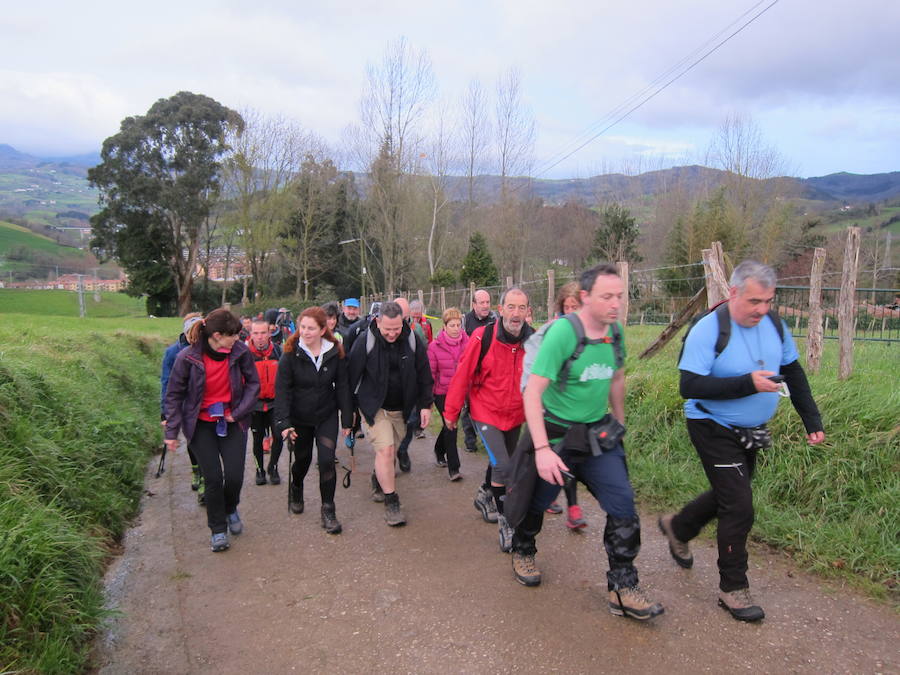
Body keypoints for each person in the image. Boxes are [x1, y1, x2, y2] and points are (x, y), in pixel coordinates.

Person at [659, 260, 825, 622]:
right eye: (754, 301)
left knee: (730, 492)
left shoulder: (775, 325)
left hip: (750, 429)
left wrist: (811, 420)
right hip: (710, 423)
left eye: (768, 301)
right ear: (733, 293)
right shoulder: (708, 329)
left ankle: (679, 527)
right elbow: (689, 386)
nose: (762, 309)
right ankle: (733, 588)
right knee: (738, 505)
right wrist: (748, 384)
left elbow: (793, 372)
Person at [510, 264, 664, 622]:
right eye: (606, 296)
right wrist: (542, 450)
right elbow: (533, 392)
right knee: (536, 503)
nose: (616, 304)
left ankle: (622, 587)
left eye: (619, 296)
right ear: (585, 297)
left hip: (597, 435)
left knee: (623, 505)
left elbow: (617, 377)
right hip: (557, 435)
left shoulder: (616, 332)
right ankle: (523, 549)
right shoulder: (563, 334)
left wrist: (620, 423)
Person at [445, 288, 534, 552]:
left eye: (521, 308)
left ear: (528, 311)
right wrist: (451, 412)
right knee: (504, 467)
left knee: (501, 462)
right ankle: (507, 523)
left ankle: (486, 493)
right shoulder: (483, 336)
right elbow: (463, 374)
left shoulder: (534, 340)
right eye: (511, 307)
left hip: (515, 414)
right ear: (501, 309)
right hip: (485, 410)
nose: (516, 313)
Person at [164, 308, 260, 553]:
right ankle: (218, 529)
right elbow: (174, 395)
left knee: (235, 475)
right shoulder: (187, 358)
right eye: (233, 335)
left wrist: (237, 413)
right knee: (214, 478)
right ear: (217, 336)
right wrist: (171, 432)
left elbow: (253, 384)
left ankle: (230, 508)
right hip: (200, 425)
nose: (238, 339)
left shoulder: (241, 352)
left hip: (232, 421)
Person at [348, 301, 433, 526]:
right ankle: (391, 501)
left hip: (402, 408)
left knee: (390, 452)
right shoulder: (365, 341)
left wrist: (425, 405)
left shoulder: (412, 339)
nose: (393, 333)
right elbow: (351, 377)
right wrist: (349, 414)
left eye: (396, 328)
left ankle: (379, 477)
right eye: (388, 329)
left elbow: (424, 373)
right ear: (378, 321)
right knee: (386, 451)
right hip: (374, 407)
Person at [275, 307, 353, 534]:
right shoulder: (290, 353)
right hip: (299, 417)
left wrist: (347, 419)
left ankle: (328, 509)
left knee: (327, 460)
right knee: (303, 459)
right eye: (302, 327)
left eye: (311, 328)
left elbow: (343, 387)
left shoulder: (334, 351)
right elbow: (282, 391)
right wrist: (284, 422)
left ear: (322, 329)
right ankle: (296, 485)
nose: (305, 332)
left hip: (326, 415)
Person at [522, 281, 586, 529]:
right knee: (553, 457)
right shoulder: (551, 331)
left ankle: (573, 509)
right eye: (567, 307)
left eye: (575, 306)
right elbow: (532, 366)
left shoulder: (593, 334)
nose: (571, 312)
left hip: (576, 410)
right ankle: (542, 503)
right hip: (550, 408)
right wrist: (532, 397)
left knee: (572, 458)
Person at [160, 312, 205, 502]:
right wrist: (165, 413)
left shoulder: (208, 349)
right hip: (185, 405)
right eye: (191, 332)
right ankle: (196, 471)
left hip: (205, 404)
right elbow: (166, 383)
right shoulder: (173, 353)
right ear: (185, 332)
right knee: (192, 441)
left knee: (206, 442)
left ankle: (204, 480)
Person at [427, 307, 469, 480]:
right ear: (444, 326)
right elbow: (430, 374)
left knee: (449, 425)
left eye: (458, 325)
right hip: (442, 393)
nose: (456, 328)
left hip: (459, 391)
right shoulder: (434, 347)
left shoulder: (468, 343)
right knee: (451, 427)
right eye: (452, 325)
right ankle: (454, 469)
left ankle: (438, 450)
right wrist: (428, 399)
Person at [246, 318, 283, 486]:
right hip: (255, 405)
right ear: (251, 334)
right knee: (257, 438)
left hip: (275, 403)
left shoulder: (278, 352)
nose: (260, 337)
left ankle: (273, 467)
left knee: (278, 436)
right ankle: (259, 469)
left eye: (263, 333)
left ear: (269, 333)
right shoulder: (245, 355)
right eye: (256, 333)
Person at [460, 289, 495, 455]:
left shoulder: (495, 319)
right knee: (468, 406)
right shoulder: (465, 321)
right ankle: (470, 439)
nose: (486, 306)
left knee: (488, 406)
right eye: (482, 303)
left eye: (488, 302)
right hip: (471, 371)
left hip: (489, 371)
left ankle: (489, 438)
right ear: (474, 304)